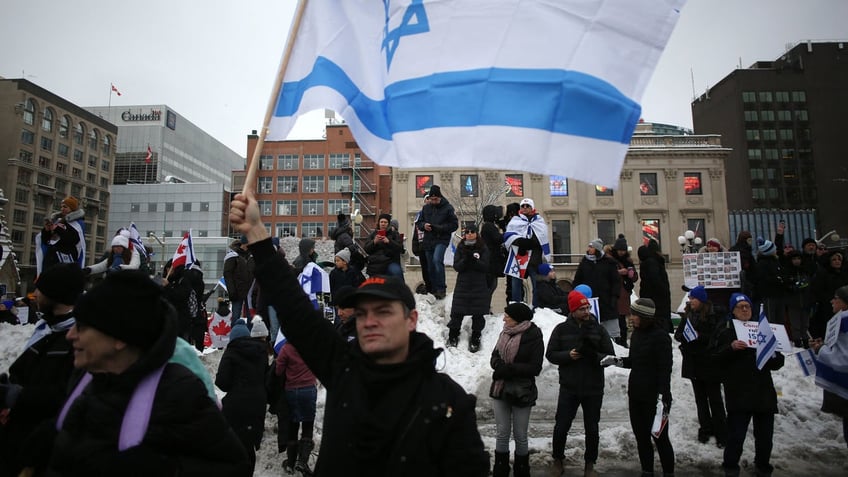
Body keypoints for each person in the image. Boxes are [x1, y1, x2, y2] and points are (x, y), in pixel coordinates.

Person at [229, 187, 490, 476]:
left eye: (383, 312)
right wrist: (255, 231)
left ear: (411, 320)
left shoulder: (448, 402)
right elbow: (294, 309)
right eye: (363, 313)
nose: (370, 321)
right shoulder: (343, 367)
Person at [47, 270, 251, 476]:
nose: (71, 335)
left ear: (120, 338)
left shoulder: (178, 391)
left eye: (82, 327)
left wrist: (162, 468)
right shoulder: (83, 377)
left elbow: (233, 467)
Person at [0, 264, 85, 477]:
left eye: (40, 289)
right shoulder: (46, 329)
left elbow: (69, 396)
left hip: (41, 449)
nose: (35, 294)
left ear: (56, 293)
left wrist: (18, 396)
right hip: (17, 439)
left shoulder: (76, 340)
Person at [711, 293, 784, 477]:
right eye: (740, 307)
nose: (744, 310)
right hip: (739, 393)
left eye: (747, 306)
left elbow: (777, 362)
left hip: (763, 393)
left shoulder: (763, 330)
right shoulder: (725, 331)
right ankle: (730, 466)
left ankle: (763, 466)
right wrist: (731, 348)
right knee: (736, 435)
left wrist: (772, 354)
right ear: (732, 311)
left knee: (765, 437)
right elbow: (715, 358)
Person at [546, 291, 615, 477]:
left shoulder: (599, 329)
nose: (586, 311)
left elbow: (610, 356)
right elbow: (551, 354)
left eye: (587, 308)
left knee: (592, 428)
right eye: (582, 308)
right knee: (561, 426)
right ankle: (558, 459)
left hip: (593, 388)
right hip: (569, 387)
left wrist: (594, 356)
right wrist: (567, 356)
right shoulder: (561, 329)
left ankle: (589, 464)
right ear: (573, 310)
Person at [603, 298, 674, 477]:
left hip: (655, 397)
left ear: (644, 316)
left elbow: (665, 369)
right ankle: (647, 472)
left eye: (634, 314)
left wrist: (662, 396)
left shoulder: (660, 337)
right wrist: (616, 361)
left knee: (660, 438)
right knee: (642, 438)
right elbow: (634, 362)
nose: (630, 318)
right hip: (636, 394)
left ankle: (669, 473)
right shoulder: (636, 335)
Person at [489, 302, 543, 477]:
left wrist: (509, 369)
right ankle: (501, 470)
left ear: (518, 319)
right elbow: (494, 356)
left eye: (508, 316)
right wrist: (498, 365)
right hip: (500, 388)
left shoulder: (533, 335)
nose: (504, 318)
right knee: (502, 433)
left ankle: (522, 471)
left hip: (522, 390)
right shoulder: (504, 332)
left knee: (520, 434)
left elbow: (535, 367)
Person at [674, 286, 727, 447]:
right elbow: (678, 335)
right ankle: (705, 429)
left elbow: (717, 337)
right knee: (700, 399)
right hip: (693, 362)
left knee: (715, 399)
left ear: (702, 300)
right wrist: (686, 336)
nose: (690, 301)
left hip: (709, 362)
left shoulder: (714, 315)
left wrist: (699, 336)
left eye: (693, 299)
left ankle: (722, 433)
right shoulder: (689, 314)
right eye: (689, 299)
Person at [216, 316, 270, 474]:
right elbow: (266, 379)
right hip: (258, 404)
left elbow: (222, 382)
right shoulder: (261, 352)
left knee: (233, 444)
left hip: (236, 404)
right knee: (248, 446)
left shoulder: (231, 352)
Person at [809, 285, 848, 448]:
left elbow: (844, 359)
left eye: (836, 298)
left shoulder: (844, 321)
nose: (832, 301)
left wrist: (821, 349)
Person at [276, 339, 319, 475]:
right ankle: (302, 461)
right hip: (309, 389)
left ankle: (290, 463)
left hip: (292, 390)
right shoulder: (310, 346)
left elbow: (278, 371)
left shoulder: (286, 348)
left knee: (293, 426)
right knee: (308, 424)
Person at [448, 224, 491, 352]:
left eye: (472, 231)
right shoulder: (461, 247)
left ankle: (476, 337)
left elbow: (485, 266)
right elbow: (457, 266)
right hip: (463, 285)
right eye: (467, 232)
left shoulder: (483, 247)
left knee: (478, 314)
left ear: (477, 233)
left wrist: (475, 261)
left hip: (479, 285)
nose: (470, 234)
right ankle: (453, 335)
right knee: (457, 312)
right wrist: (466, 260)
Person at [503, 198, 551, 307]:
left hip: (535, 259)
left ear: (532, 208)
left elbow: (542, 237)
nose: (525, 208)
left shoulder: (539, 221)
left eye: (527, 206)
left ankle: (537, 308)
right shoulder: (515, 220)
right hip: (519, 258)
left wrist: (530, 242)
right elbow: (508, 235)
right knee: (516, 285)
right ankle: (516, 307)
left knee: (536, 285)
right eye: (523, 206)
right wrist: (521, 242)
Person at [416, 185, 459, 299]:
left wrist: (440, 228)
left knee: (437, 260)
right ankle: (433, 288)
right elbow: (419, 222)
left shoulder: (448, 208)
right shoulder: (426, 209)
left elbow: (454, 225)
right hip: (428, 239)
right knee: (430, 266)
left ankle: (441, 288)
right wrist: (424, 226)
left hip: (441, 239)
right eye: (432, 199)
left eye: (436, 199)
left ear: (440, 198)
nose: (434, 201)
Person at [574, 238, 621, 338]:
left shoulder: (609, 263)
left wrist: (614, 297)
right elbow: (577, 280)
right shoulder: (585, 262)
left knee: (609, 327)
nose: (589, 249)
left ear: (597, 249)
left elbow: (616, 281)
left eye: (591, 247)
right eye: (589, 247)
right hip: (590, 300)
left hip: (606, 300)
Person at [36, 196, 86, 276]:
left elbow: (72, 240)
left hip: (65, 261)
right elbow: (46, 241)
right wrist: (47, 230)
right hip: (51, 261)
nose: (62, 209)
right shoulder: (58, 221)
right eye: (61, 207)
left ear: (72, 208)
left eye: (65, 207)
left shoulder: (78, 224)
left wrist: (57, 229)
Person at [810, 250, 848, 338]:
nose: (837, 261)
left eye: (839, 259)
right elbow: (817, 290)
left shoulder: (844, 273)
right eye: (834, 260)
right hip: (828, 306)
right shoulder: (823, 274)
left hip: (845, 306)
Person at [637, 239, 672, 333]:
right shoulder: (655, 262)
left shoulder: (650, 262)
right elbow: (656, 280)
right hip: (658, 299)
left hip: (653, 298)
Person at [612, 235, 638, 347]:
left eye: (623, 250)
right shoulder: (611, 260)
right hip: (615, 292)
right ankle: (618, 342)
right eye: (620, 250)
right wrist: (619, 272)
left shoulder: (628, 261)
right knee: (616, 319)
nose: (621, 252)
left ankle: (622, 341)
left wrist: (630, 274)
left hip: (625, 292)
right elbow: (607, 275)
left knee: (622, 320)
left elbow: (635, 278)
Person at [364, 213, 405, 280]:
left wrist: (389, 242)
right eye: (381, 222)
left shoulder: (394, 234)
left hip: (390, 262)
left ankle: (400, 289)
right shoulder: (373, 234)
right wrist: (374, 242)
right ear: (379, 223)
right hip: (375, 263)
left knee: (396, 272)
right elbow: (366, 249)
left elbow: (400, 248)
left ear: (388, 223)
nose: (383, 224)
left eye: (385, 222)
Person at [223, 237, 254, 322]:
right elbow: (227, 274)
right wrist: (232, 291)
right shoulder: (232, 256)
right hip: (237, 292)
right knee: (235, 316)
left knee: (251, 318)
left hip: (250, 293)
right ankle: (235, 334)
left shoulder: (252, 256)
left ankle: (249, 334)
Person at [481, 204, 506, 299]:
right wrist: (506, 234)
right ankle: (485, 306)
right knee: (491, 285)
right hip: (491, 260)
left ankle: (486, 306)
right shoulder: (489, 226)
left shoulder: (488, 226)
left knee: (492, 285)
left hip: (491, 260)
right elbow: (497, 238)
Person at [411, 195, 433, 294]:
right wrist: (415, 247)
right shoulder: (419, 216)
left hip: (433, 245)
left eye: (430, 198)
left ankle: (434, 287)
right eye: (427, 199)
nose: (428, 200)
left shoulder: (437, 213)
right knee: (425, 268)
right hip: (422, 246)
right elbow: (415, 232)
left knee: (432, 267)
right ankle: (428, 287)